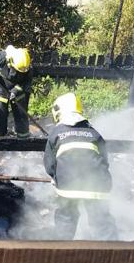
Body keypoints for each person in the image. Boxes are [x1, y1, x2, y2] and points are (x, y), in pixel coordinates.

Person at [44, 93, 117, 240]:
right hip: (98, 187)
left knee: (66, 218)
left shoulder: (56, 133)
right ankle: (112, 253)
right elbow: (104, 161)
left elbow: (49, 164)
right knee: (101, 221)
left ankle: (61, 252)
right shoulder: (94, 133)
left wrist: (55, 177)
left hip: (68, 186)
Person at [0, 45, 33, 138]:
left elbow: (26, 82)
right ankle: (1, 138)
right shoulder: (0, 57)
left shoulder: (26, 65)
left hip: (17, 89)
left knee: (21, 113)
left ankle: (23, 137)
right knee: (1, 114)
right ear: (10, 62)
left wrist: (15, 91)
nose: (22, 71)